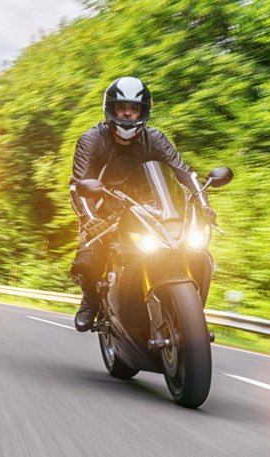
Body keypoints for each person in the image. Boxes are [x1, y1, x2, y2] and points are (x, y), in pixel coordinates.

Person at [69, 76, 217, 332]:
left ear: (143, 111)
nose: (127, 113)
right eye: (121, 107)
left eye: (134, 108)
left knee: (193, 248)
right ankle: (91, 300)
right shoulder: (92, 140)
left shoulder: (155, 139)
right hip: (105, 211)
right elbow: (78, 186)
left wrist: (203, 204)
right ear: (111, 109)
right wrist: (91, 219)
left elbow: (184, 173)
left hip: (151, 209)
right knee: (88, 259)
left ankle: (188, 314)